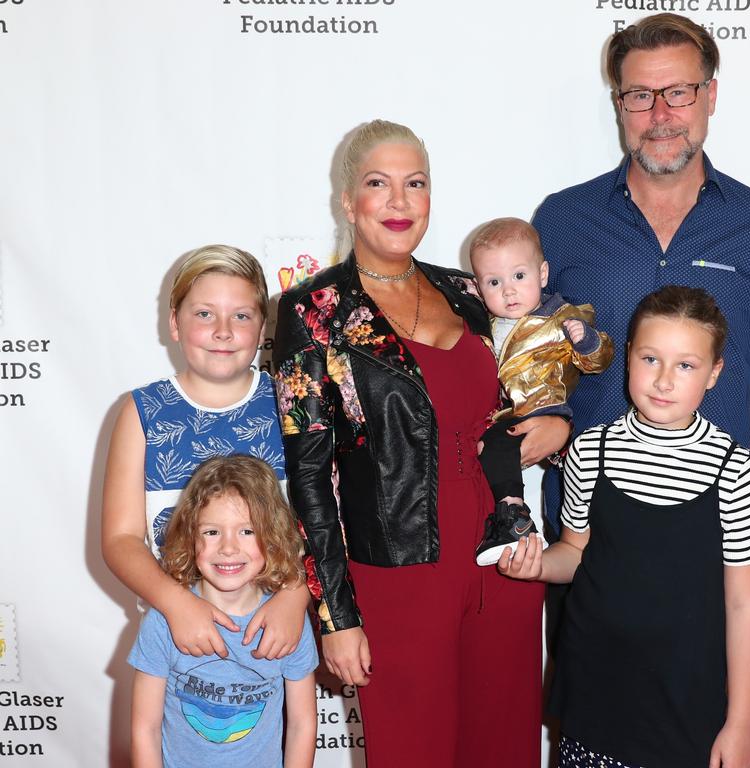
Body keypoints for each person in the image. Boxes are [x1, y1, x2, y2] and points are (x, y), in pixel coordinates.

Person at [272, 120, 552, 767]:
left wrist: (554, 428)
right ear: (349, 200)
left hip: (501, 562)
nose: (399, 202)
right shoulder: (312, 312)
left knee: (504, 749)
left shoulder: (468, 291)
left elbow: (509, 408)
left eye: (415, 183)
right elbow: (309, 479)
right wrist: (336, 616)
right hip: (397, 573)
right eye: (379, 183)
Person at [533, 13, 750, 528]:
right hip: (586, 523)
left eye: (680, 93)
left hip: (714, 522)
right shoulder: (562, 219)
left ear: (710, 97)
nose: (661, 114)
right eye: (641, 96)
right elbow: (527, 354)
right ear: (619, 105)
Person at [501, 285, 750, 768]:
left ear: (714, 374)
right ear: (627, 357)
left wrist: (740, 722)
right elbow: (575, 555)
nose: (664, 380)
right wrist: (535, 565)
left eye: (685, 365)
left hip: (688, 700)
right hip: (596, 690)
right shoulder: (591, 449)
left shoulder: (734, 467)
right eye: (650, 359)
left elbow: (745, 602)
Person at [102, 244, 310, 660]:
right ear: (174, 324)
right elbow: (120, 539)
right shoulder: (142, 413)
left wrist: (296, 595)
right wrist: (178, 605)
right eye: (204, 314)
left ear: (263, 328)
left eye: (241, 315)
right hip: (180, 638)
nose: (223, 330)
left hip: (277, 638)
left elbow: (328, 521)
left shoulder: (294, 405)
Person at [128, 455, 318, 768]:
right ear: (191, 537)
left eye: (246, 531)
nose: (228, 548)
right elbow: (144, 729)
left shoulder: (289, 625)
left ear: (271, 537)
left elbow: (302, 725)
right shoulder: (162, 623)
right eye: (212, 532)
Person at [469, 216, 614, 565]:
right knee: (489, 450)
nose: (509, 290)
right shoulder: (482, 324)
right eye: (494, 282)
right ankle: (512, 522)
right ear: (478, 286)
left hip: (543, 406)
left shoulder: (559, 318)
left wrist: (587, 342)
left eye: (519, 276)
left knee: (495, 449)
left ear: (543, 275)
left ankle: (515, 519)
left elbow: (598, 361)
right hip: (509, 412)